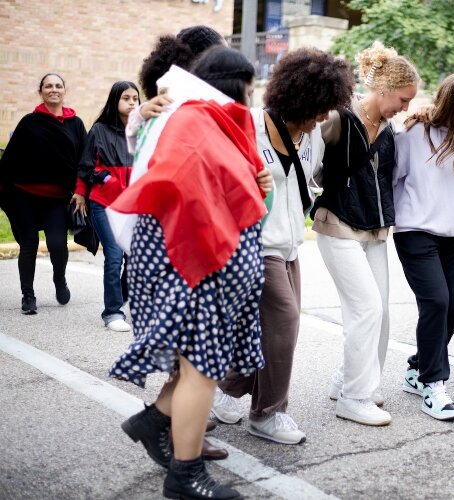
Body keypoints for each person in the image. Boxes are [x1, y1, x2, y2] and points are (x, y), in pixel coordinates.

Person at [108, 46, 268, 500]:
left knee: (196, 367)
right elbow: (191, 197)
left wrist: (260, 187)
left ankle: (153, 421)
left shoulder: (206, 122)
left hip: (192, 263)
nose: (250, 101)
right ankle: (185, 475)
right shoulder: (194, 121)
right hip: (190, 263)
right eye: (249, 91)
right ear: (234, 85)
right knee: (201, 368)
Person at [214, 48, 354, 444]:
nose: (324, 116)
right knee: (286, 323)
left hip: (291, 245)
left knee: (269, 330)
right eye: (320, 107)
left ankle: (226, 389)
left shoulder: (314, 137)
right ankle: (268, 413)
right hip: (255, 245)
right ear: (298, 97)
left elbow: (310, 181)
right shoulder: (250, 127)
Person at [312, 41, 419, 426]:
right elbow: (309, 161)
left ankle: (355, 380)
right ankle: (353, 397)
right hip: (337, 223)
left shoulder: (391, 130)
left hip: (374, 230)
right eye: (403, 99)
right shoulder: (339, 118)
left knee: (382, 313)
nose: (405, 107)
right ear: (384, 89)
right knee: (366, 308)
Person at [392, 73, 454, 420]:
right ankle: (433, 386)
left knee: (449, 312)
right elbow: (394, 178)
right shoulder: (413, 134)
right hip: (415, 232)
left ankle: (416, 369)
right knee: (436, 302)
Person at [0, 73, 87, 315]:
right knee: (28, 244)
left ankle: (60, 279)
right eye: (48, 86)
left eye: (58, 85)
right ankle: (28, 296)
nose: (53, 89)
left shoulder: (76, 124)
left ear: (64, 91)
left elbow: (84, 161)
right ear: (41, 92)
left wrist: (81, 191)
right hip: (24, 197)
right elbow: (10, 160)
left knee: (58, 245)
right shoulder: (29, 122)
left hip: (57, 199)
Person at [73, 81, 140, 332]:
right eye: (126, 98)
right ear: (115, 101)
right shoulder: (99, 130)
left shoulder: (142, 131)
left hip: (134, 207)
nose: (132, 102)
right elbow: (86, 166)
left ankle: (122, 299)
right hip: (104, 204)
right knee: (114, 256)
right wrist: (102, 182)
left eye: (135, 98)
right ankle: (112, 312)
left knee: (135, 258)